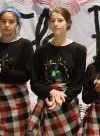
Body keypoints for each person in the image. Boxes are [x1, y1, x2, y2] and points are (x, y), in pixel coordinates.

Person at [29, 7, 87, 135]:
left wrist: (62, 100)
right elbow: (34, 82)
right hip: (47, 102)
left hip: (68, 103)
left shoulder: (79, 50)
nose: (55, 24)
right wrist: (50, 92)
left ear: (68, 23)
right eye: (52, 20)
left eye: (60, 20)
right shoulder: (41, 51)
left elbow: (78, 84)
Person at [0, 7, 34, 135]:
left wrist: (3, 71)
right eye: (3, 21)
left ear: (17, 24)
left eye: (11, 22)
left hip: (17, 101)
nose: (7, 25)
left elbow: (26, 75)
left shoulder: (25, 44)